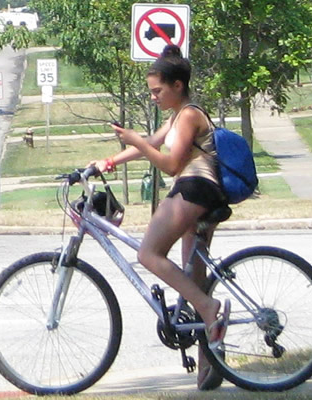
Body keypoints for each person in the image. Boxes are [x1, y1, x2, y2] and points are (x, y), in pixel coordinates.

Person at [85, 44, 231, 387]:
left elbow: (170, 164)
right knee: (193, 280)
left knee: (148, 254)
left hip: (194, 189)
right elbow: (149, 144)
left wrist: (135, 139)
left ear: (177, 86)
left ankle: (210, 311)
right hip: (201, 192)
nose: (153, 97)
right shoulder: (178, 116)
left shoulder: (190, 115)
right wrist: (106, 162)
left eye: (157, 90)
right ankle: (210, 363)